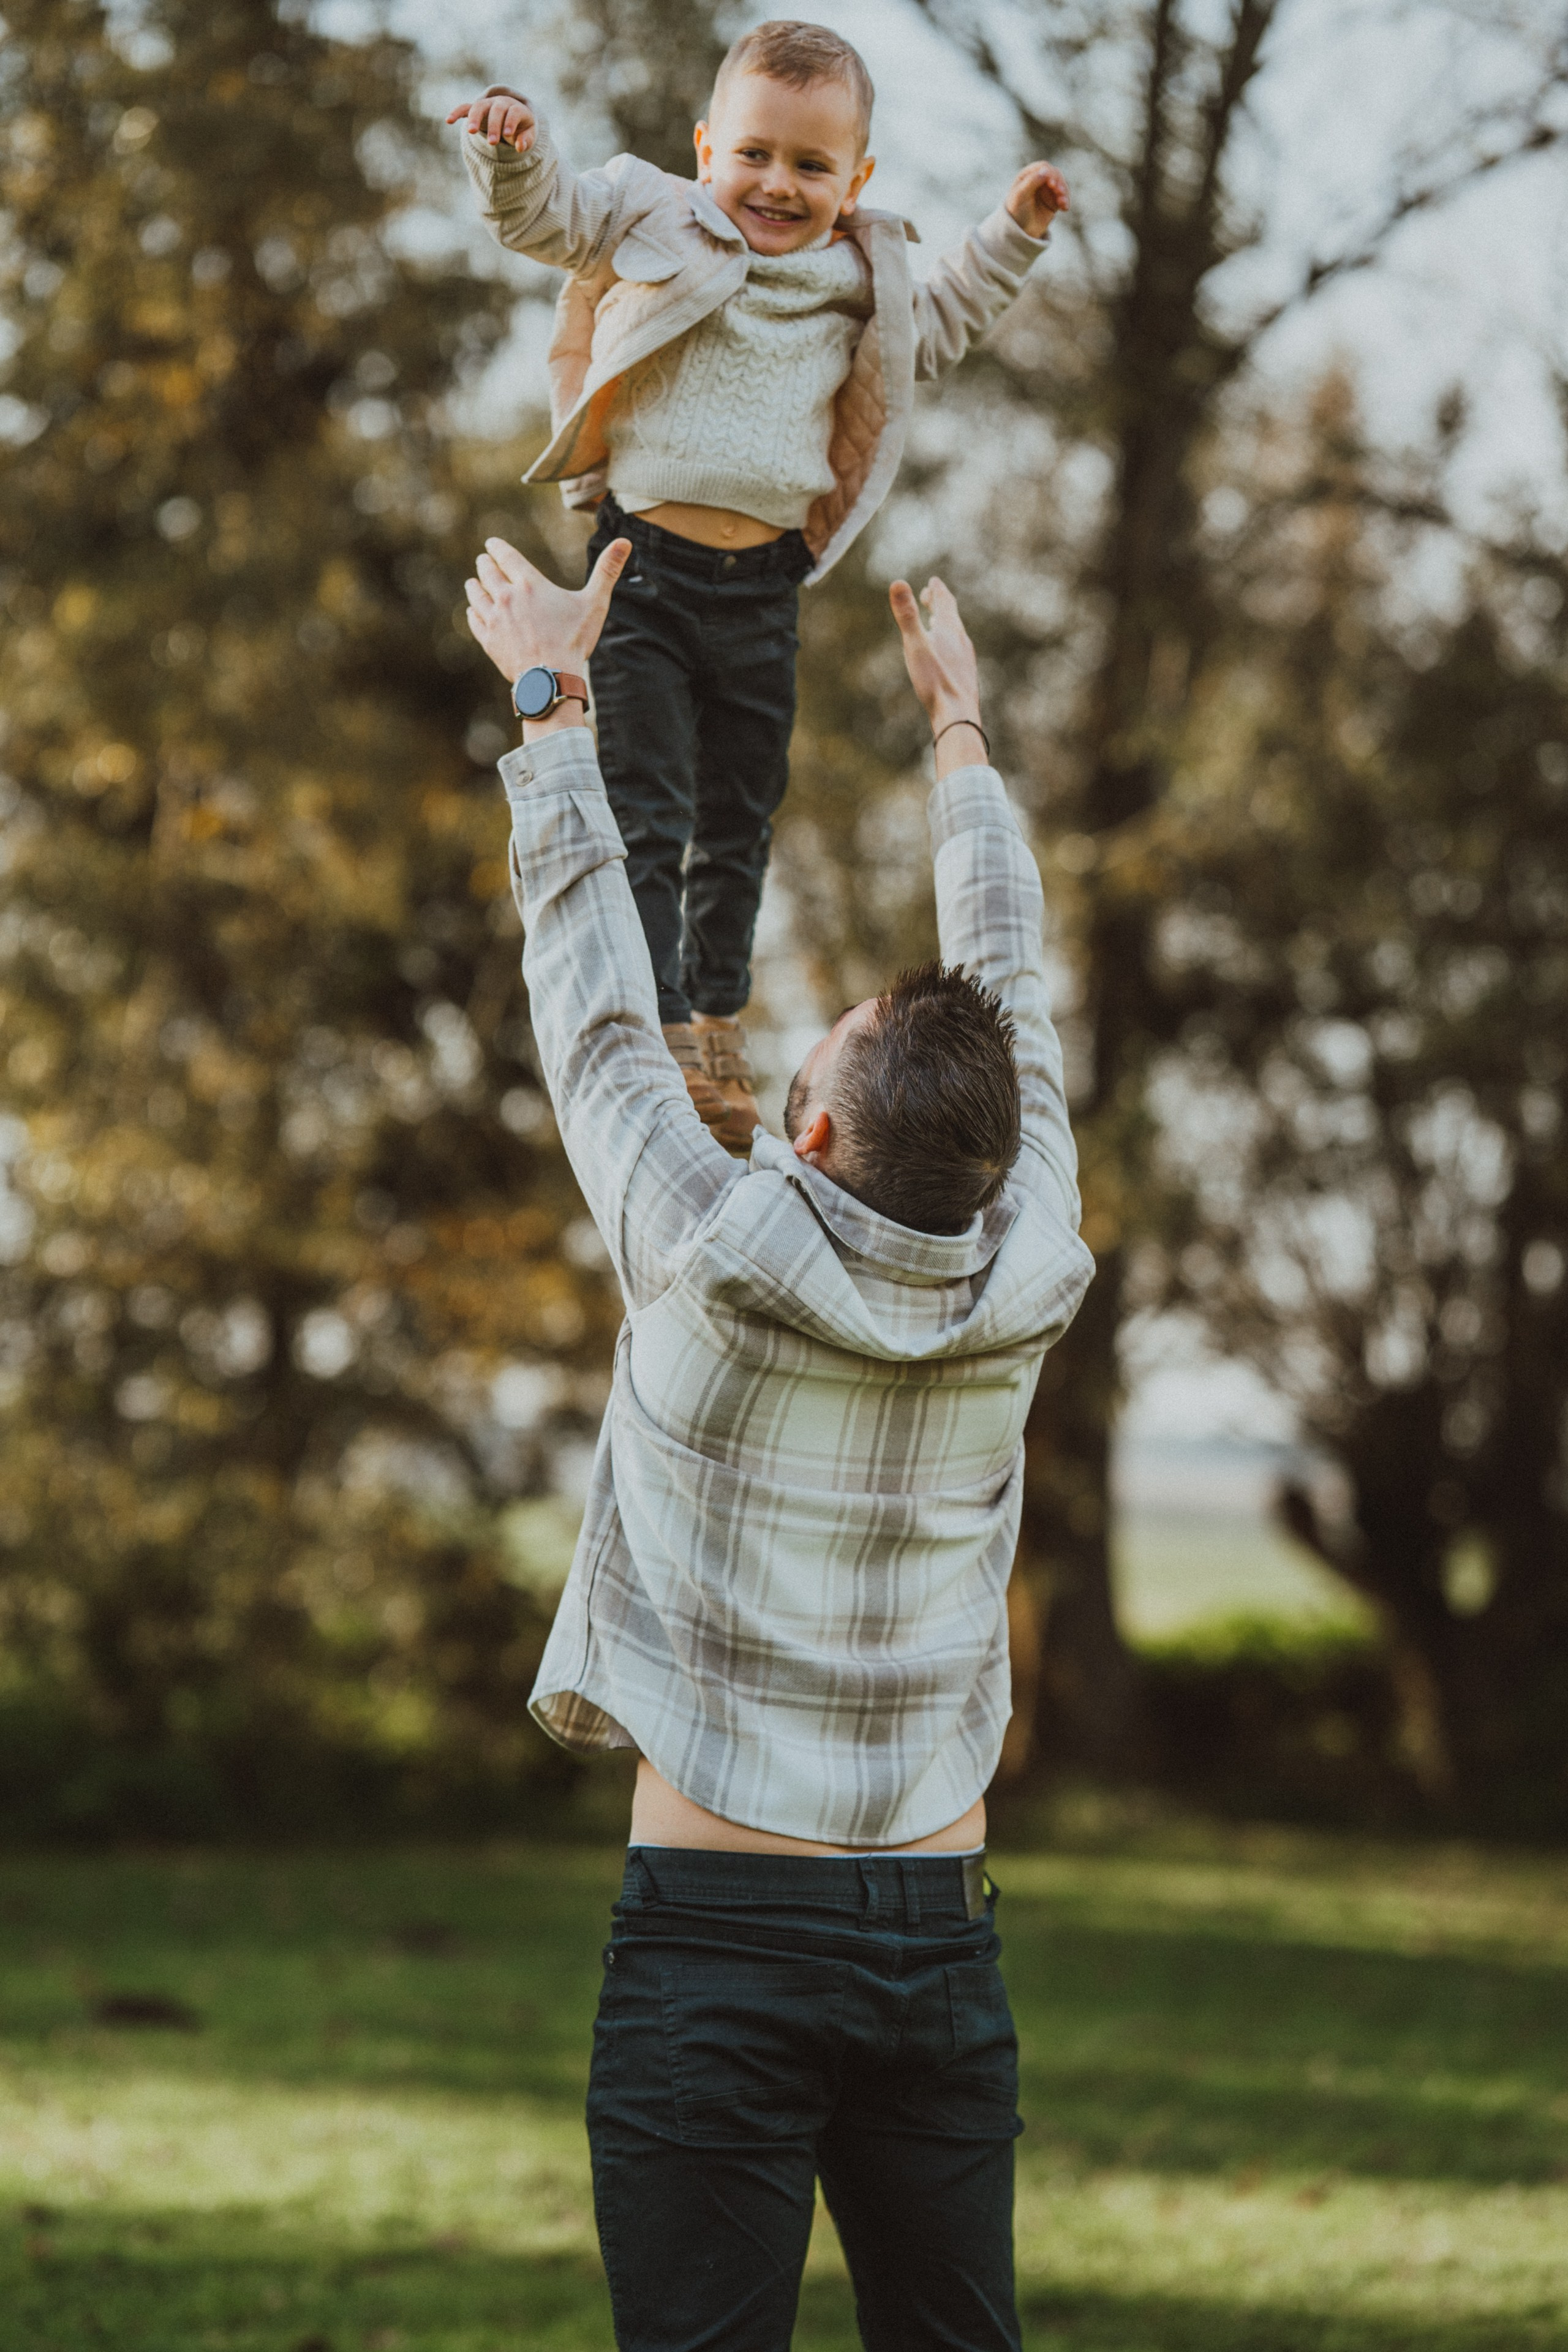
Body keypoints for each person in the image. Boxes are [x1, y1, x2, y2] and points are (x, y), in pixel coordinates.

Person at [462, 523, 1093, 2352]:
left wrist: (551, 698)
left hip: (718, 1936)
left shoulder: (713, 1244)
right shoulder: (1030, 1259)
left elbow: (589, 1001)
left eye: (801, 1067)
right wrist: (961, 745)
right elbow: (1019, 1013)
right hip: (941, 1944)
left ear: (810, 1136)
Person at [448, 20, 1069, 1150]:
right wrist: (511, 147)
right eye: (754, 155)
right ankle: (655, 1021)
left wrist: (1013, 232)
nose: (777, 185)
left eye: (813, 166)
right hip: (640, 573)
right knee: (647, 808)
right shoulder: (649, 216)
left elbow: (946, 321)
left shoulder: (858, 277)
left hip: (764, 591)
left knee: (739, 816)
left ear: (857, 179)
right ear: (704, 148)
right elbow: (546, 219)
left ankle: (714, 1031)